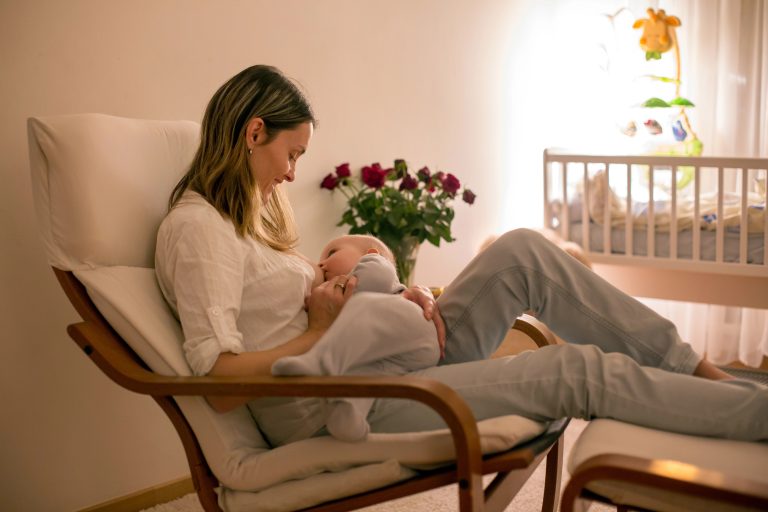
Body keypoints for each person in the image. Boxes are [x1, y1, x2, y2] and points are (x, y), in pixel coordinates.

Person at [155, 65, 767, 450]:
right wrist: (321, 329)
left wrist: (399, 299)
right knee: (575, 371)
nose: (291, 174)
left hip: (378, 359)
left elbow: (315, 298)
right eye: (291, 154)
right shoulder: (199, 230)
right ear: (254, 132)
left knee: (522, 249)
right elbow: (218, 384)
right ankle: (755, 414)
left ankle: (693, 368)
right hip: (341, 400)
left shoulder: (246, 226)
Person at [271, 234, 440, 441]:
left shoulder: (375, 266)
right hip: (399, 358)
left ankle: (317, 361)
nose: (321, 263)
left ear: (371, 253)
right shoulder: (355, 312)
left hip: (416, 328)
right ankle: (347, 414)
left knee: (363, 306)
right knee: (362, 376)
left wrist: (324, 296)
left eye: (331, 253)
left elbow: (372, 281)